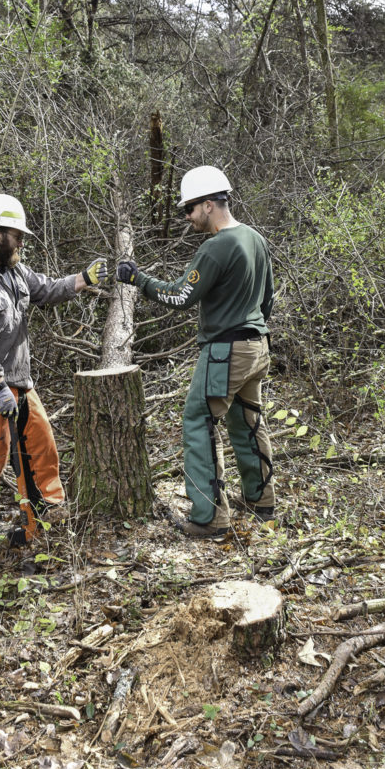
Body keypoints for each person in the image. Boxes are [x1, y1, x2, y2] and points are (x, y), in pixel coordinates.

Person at [116, 166, 274, 541]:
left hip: (225, 351)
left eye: (189, 209)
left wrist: (138, 279)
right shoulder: (255, 239)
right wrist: (251, 327)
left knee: (198, 421)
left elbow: (180, 296)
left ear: (208, 205)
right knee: (248, 421)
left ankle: (209, 518)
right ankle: (261, 501)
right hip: (257, 345)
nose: (187, 218)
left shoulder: (216, 247)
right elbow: (269, 298)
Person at [0, 193, 107, 540]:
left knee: (40, 441)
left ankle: (47, 511)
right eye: (17, 235)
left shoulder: (14, 271)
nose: (21, 242)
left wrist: (84, 278)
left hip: (18, 379)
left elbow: (46, 289)